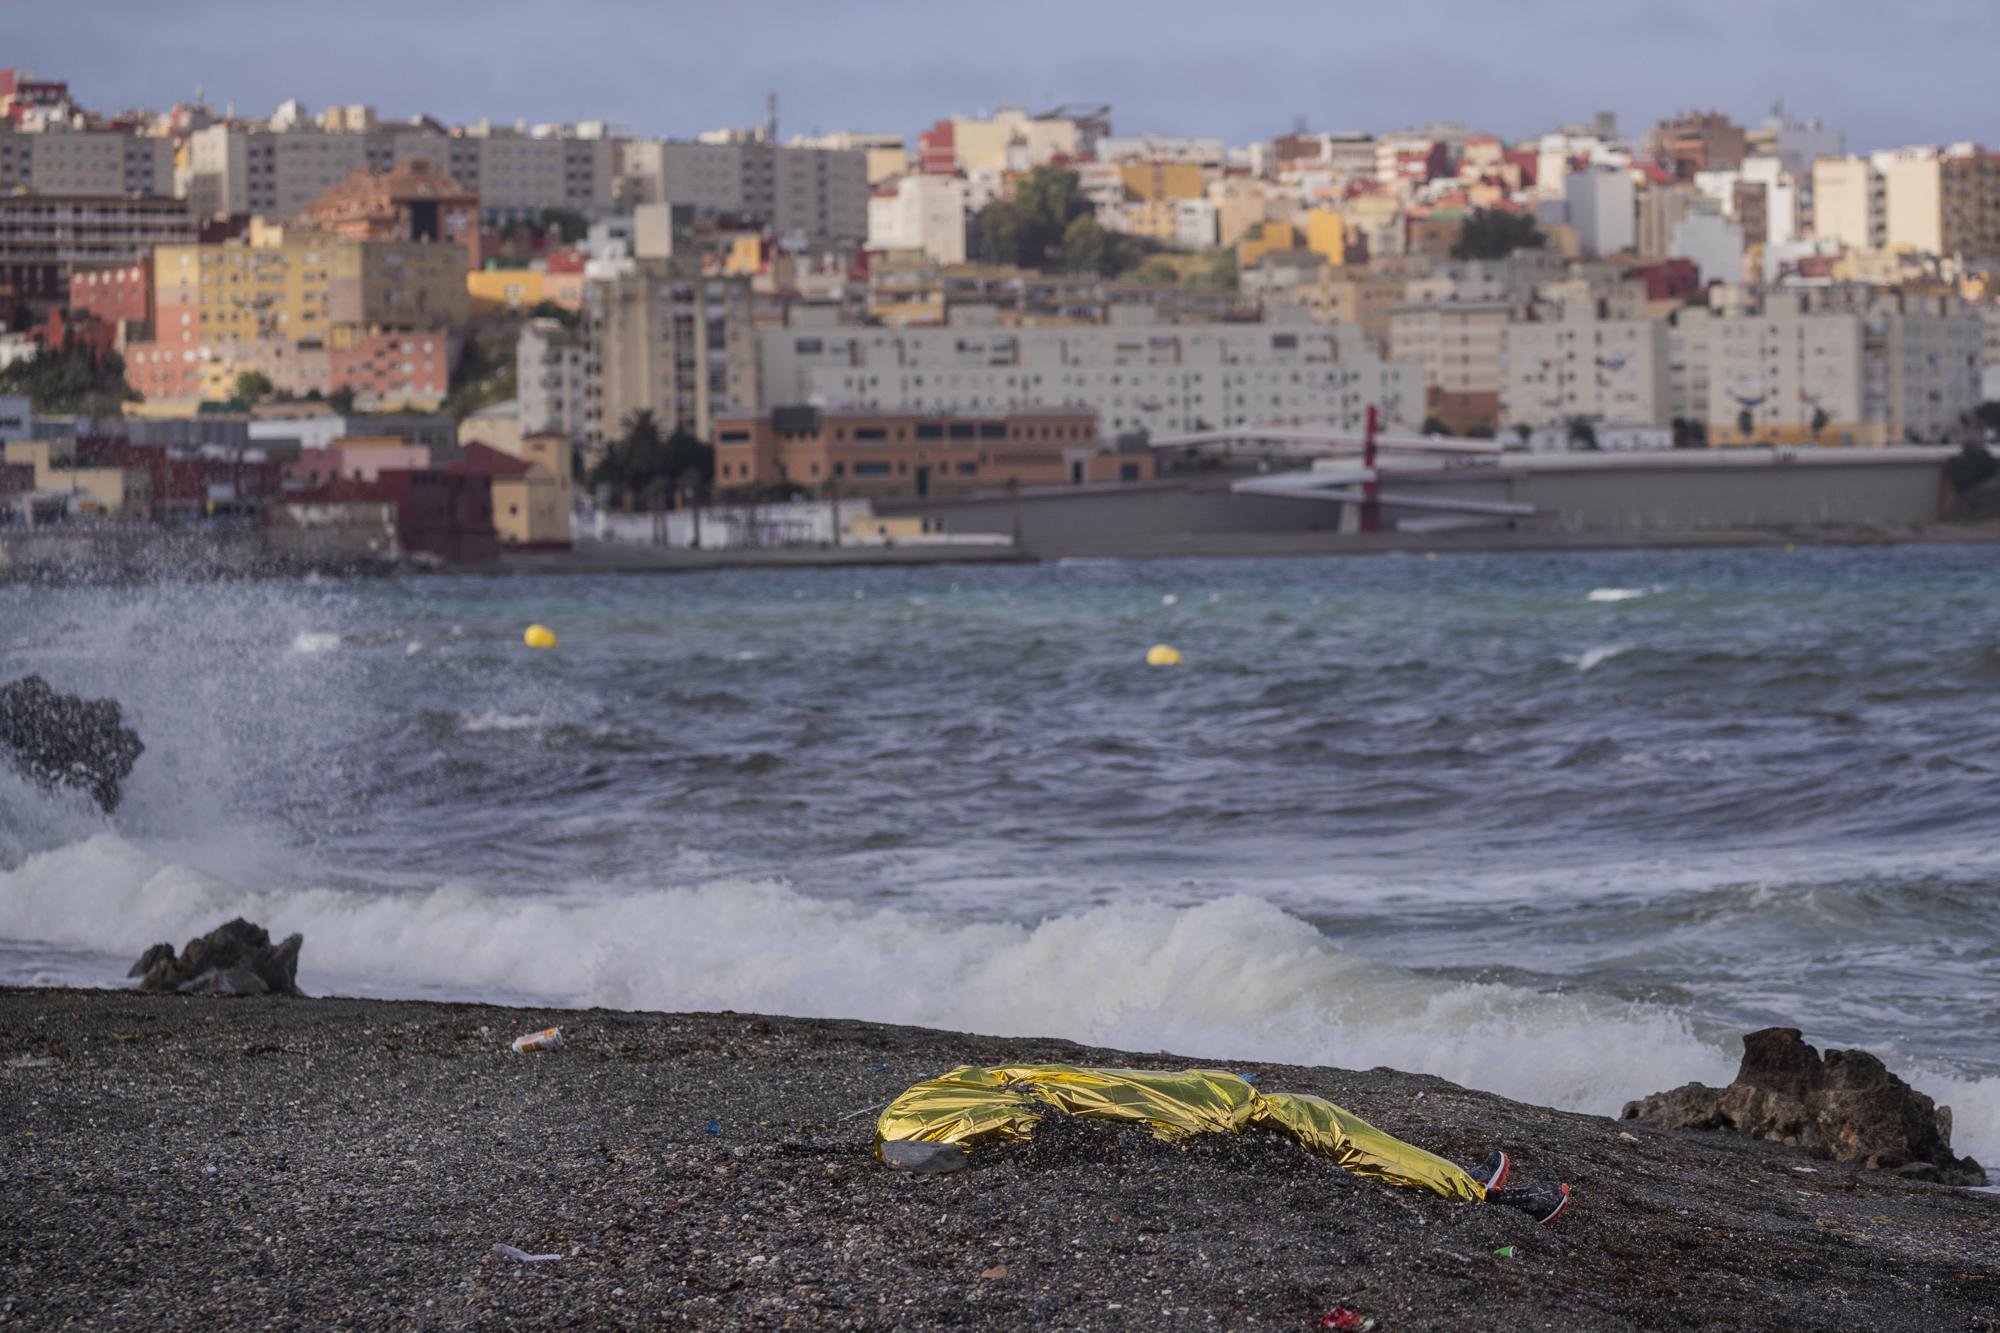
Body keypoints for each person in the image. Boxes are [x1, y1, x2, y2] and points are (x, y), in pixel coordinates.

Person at [875, 1062, 1571, 1225]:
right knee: (1301, 1112)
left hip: (982, 1111)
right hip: (1163, 1109)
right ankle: (1478, 1188)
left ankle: (1465, 1182)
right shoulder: (958, 1106)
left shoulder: (919, 1111)